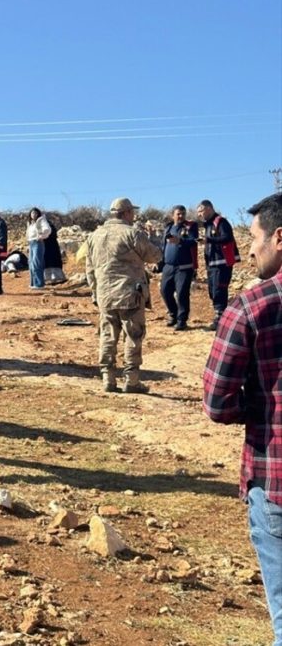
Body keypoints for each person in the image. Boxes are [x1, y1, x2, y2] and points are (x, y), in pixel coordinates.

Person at [202, 192, 282, 644]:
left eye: (254, 238)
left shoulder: (253, 306)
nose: (250, 249)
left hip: (276, 481)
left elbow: (217, 402)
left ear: (280, 238)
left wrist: (256, 408)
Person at [83, 197, 163, 394]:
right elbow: (155, 256)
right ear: (126, 212)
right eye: (132, 212)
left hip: (105, 294)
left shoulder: (94, 236)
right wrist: (152, 238)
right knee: (133, 335)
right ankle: (132, 380)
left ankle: (108, 379)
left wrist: (95, 292)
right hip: (130, 294)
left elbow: (89, 269)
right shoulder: (133, 233)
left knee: (108, 335)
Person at [199, 199, 241, 331]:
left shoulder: (221, 222)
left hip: (222, 264)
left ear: (209, 209)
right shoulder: (208, 224)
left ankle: (220, 320)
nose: (199, 214)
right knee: (212, 291)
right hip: (211, 264)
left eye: (201, 211)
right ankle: (221, 316)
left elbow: (227, 237)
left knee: (219, 290)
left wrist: (209, 240)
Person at [159, 205, 199, 331]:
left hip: (184, 267)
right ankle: (173, 315)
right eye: (178, 214)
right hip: (168, 266)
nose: (181, 216)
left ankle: (182, 320)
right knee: (165, 291)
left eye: (183, 213)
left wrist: (180, 241)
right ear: (173, 215)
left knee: (182, 293)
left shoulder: (191, 226)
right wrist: (159, 262)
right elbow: (163, 246)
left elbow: (194, 240)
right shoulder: (168, 227)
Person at [26, 207, 52, 290]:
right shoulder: (30, 224)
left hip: (37, 243)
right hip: (31, 243)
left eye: (35, 213)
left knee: (37, 262)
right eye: (32, 213)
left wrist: (42, 236)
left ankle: (39, 284)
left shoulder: (41, 220)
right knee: (31, 263)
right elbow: (28, 235)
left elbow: (48, 229)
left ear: (38, 214)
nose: (34, 214)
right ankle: (33, 283)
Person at [43, 216, 67, 285]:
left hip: (50, 247)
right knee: (49, 262)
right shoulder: (48, 226)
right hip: (49, 247)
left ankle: (54, 278)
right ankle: (51, 278)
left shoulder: (48, 226)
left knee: (51, 262)